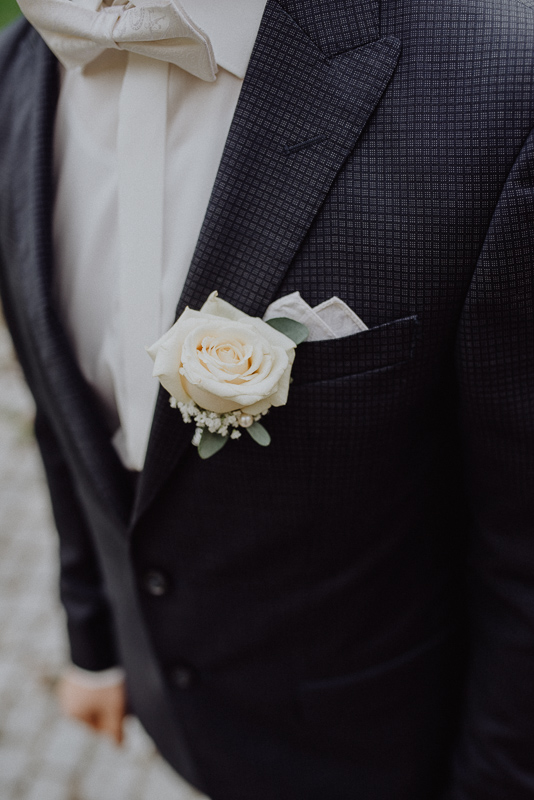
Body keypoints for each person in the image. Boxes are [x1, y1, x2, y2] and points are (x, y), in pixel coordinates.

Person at [1, 0, 533, 797]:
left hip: (380, 751)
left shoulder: (501, 87)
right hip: (174, 716)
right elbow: (60, 412)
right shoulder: (21, 67)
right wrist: (96, 643)